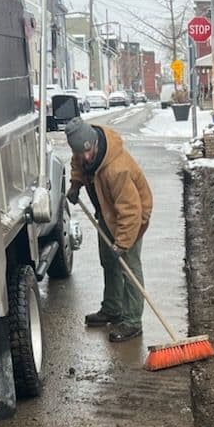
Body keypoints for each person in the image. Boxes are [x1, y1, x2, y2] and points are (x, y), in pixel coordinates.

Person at [64, 118, 153, 342]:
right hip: (107, 211)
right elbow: (77, 164)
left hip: (132, 217)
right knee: (108, 261)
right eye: (79, 153)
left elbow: (131, 212)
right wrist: (76, 184)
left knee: (127, 265)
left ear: (94, 143)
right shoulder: (83, 150)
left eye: (88, 153)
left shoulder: (117, 168)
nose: (85, 158)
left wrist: (122, 244)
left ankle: (133, 321)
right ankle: (113, 308)